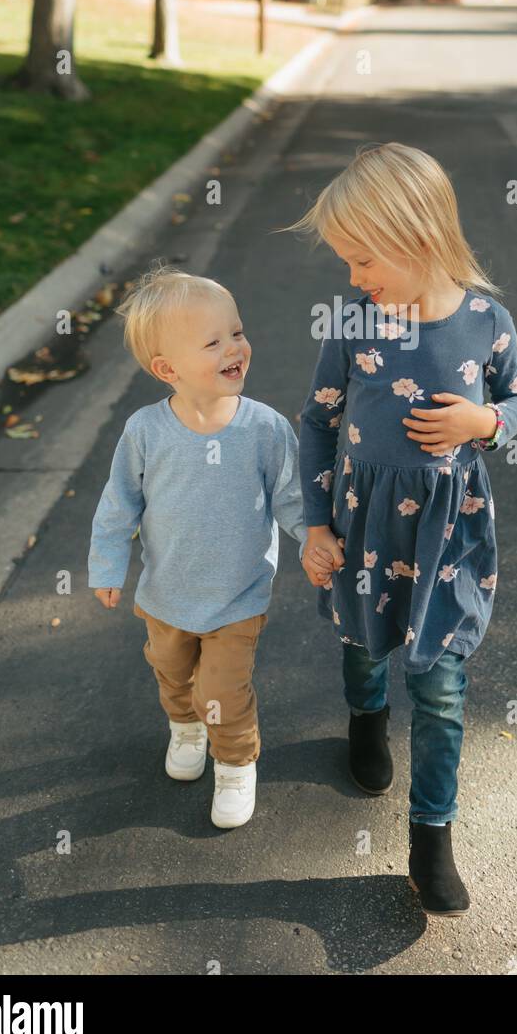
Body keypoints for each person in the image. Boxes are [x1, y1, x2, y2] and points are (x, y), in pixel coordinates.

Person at [282, 143, 517, 916]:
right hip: (363, 529)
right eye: (346, 263)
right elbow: (318, 421)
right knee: (363, 644)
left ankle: (431, 840)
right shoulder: (353, 324)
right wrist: (315, 524)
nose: (353, 278)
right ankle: (365, 718)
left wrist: (486, 421)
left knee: (441, 683)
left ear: (420, 235)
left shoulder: (486, 323)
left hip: (448, 534)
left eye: (363, 260)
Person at [87, 264, 334, 828]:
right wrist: (107, 565)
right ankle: (186, 727)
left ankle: (234, 765)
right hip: (166, 595)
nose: (234, 347)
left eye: (238, 332)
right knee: (173, 674)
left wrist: (312, 541)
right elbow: (118, 503)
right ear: (167, 369)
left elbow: (292, 498)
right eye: (213, 341)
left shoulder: (265, 429)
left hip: (237, 596)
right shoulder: (146, 432)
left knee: (223, 686)